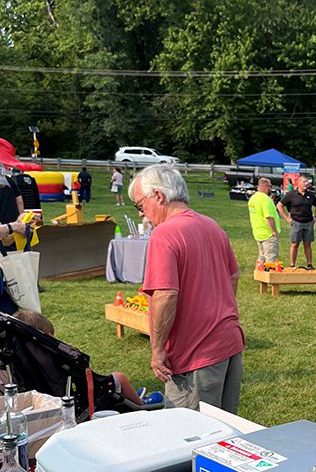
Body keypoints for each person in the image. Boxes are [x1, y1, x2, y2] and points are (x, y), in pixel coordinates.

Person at [129, 165, 244, 412]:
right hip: (229, 344)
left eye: (140, 205)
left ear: (158, 196)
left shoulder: (164, 234)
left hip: (195, 356)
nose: (143, 215)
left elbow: (165, 294)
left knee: (190, 438)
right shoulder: (212, 225)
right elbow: (233, 275)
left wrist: (157, 350)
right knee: (224, 434)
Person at [10, 309, 153, 405]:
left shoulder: (20, 357)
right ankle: (141, 404)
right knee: (119, 378)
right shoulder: (51, 354)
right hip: (75, 396)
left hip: (45, 397)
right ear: (44, 336)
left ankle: (131, 395)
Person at [277, 175, 316, 269]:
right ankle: (292, 265)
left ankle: (309, 264)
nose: (306, 184)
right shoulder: (291, 194)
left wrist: (315, 217)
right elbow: (279, 205)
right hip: (296, 222)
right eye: (304, 182)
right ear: (298, 183)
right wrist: (287, 218)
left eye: (307, 182)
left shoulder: (310, 195)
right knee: (295, 244)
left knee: (307, 244)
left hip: (308, 223)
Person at [248, 178, 281, 268]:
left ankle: (259, 277)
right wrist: (274, 231)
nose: (271, 189)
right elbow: (269, 217)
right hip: (268, 234)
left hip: (258, 233)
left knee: (261, 257)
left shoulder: (253, 198)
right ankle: (269, 278)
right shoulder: (266, 200)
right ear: (266, 187)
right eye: (270, 187)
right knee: (270, 259)